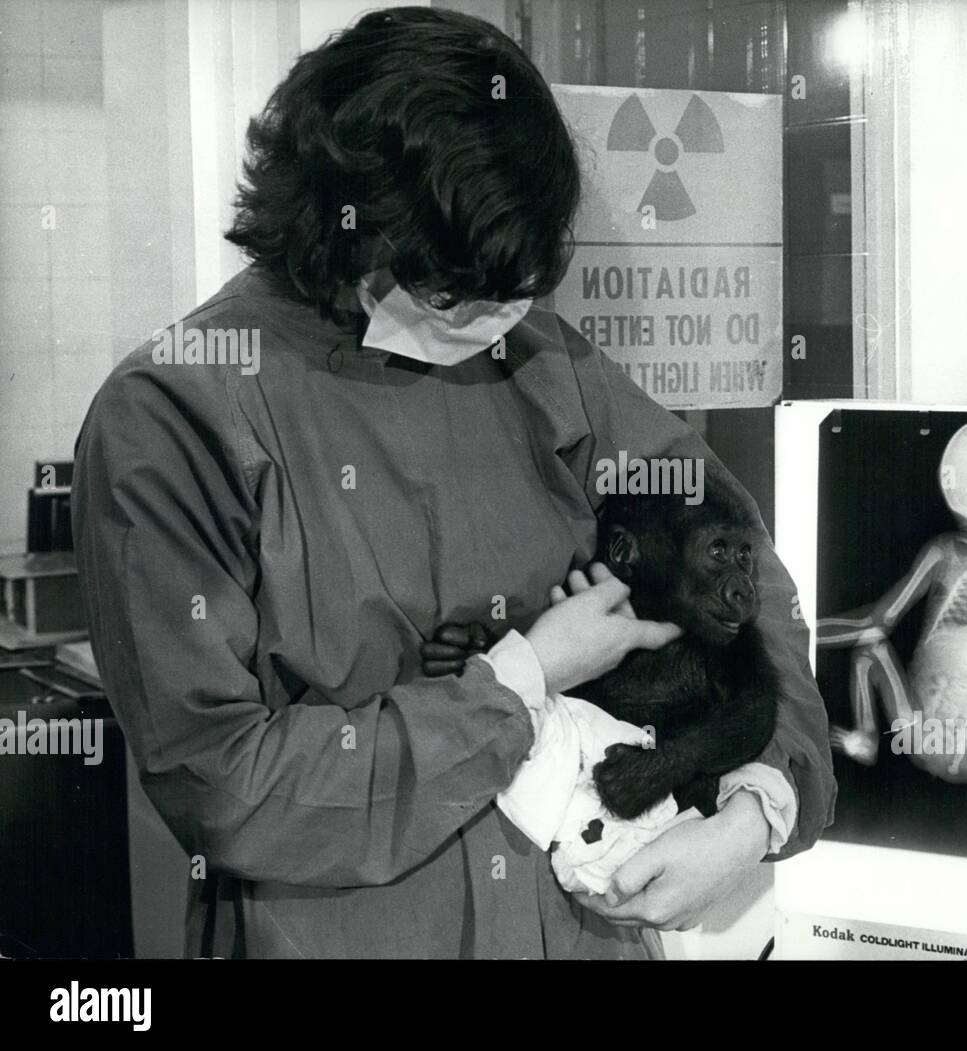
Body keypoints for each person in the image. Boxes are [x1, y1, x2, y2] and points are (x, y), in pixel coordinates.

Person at [72, 5, 834, 960]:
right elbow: (228, 781)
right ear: (341, 233)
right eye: (456, 297)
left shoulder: (539, 359)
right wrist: (516, 684)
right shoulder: (176, 413)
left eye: (517, 295)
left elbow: (737, 567)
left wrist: (759, 802)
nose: (497, 323)